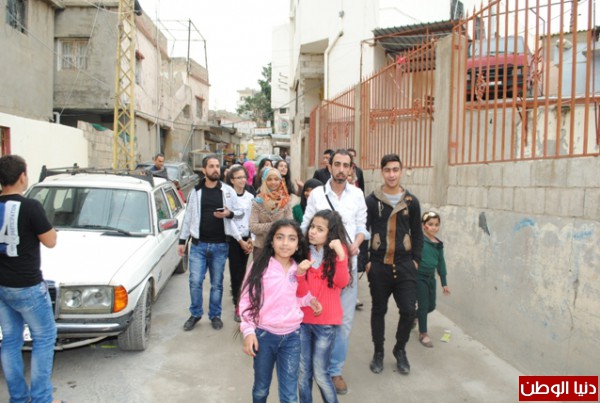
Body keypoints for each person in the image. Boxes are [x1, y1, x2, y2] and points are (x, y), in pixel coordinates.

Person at [301, 149, 368, 395]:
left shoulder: (357, 195)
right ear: (329, 166)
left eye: (345, 165)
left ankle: (334, 370)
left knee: (344, 323)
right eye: (337, 164)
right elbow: (306, 225)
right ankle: (311, 364)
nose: (341, 169)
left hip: (345, 267)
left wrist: (355, 244)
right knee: (313, 315)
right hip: (318, 269)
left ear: (351, 168)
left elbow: (362, 226)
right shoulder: (317, 194)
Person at [239, 219, 320, 403]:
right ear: (272, 241)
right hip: (264, 336)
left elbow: (293, 297)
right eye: (280, 237)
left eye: (291, 238)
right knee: (261, 389)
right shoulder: (259, 267)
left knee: (290, 395)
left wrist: (309, 300)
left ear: (298, 244)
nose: (285, 243)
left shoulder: (299, 269)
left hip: (292, 337)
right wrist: (248, 331)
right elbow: (245, 300)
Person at [0, 155, 58, 403]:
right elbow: (50, 241)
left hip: (2, 285)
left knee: (10, 340)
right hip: (27, 286)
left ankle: (19, 398)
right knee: (44, 337)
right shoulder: (31, 207)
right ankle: (42, 398)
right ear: (22, 177)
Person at [364, 154, 423, 375]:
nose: (391, 174)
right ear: (382, 172)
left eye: (395, 170)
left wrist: (416, 260)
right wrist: (366, 262)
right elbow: (364, 230)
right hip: (379, 266)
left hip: (405, 265)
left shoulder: (411, 202)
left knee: (408, 310)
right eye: (387, 170)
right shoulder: (372, 201)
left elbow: (417, 233)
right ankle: (378, 352)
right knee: (379, 309)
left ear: (401, 171)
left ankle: (400, 350)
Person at [178, 154, 240, 332]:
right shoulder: (195, 192)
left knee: (217, 284)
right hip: (199, 245)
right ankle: (196, 313)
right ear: (204, 170)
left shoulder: (227, 191)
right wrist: (182, 241)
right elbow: (188, 217)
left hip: (220, 245)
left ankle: (215, 315)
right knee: (195, 281)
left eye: (217, 166)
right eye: (211, 166)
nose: (215, 169)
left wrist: (228, 214)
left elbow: (238, 212)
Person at [297, 210, 350, 403]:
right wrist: (300, 274)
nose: (313, 231)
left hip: (326, 323)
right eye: (312, 227)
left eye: (320, 229)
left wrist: (342, 256)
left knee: (320, 373)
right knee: (303, 372)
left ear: (331, 233)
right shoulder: (303, 251)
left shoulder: (337, 254)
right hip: (302, 321)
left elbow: (342, 282)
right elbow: (299, 292)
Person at [225, 165, 255, 322]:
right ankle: (237, 305)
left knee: (243, 272)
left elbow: (252, 218)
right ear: (232, 180)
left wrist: (251, 238)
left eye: (244, 177)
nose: (242, 180)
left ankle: (242, 300)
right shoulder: (227, 197)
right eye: (239, 178)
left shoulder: (250, 197)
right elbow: (228, 220)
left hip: (246, 238)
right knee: (235, 273)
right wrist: (239, 240)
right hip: (233, 239)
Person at [417, 211, 450, 348]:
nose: (434, 227)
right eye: (430, 224)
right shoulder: (419, 241)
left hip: (431, 279)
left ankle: (414, 316)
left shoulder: (438, 244)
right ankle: (423, 333)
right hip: (419, 278)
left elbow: (441, 263)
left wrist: (444, 283)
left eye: (437, 224)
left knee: (431, 306)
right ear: (423, 225)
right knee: (424, 305)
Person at [249, 167, 293, 259]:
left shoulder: (285, 201)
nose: (273, 182)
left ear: (280, 181)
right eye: (269, 179)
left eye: (276, 179)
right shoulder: (257, 202)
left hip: (281, 248)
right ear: (264, 181)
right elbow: (252, 227)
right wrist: (274, 225)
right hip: (261, 247)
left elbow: (290, 224)